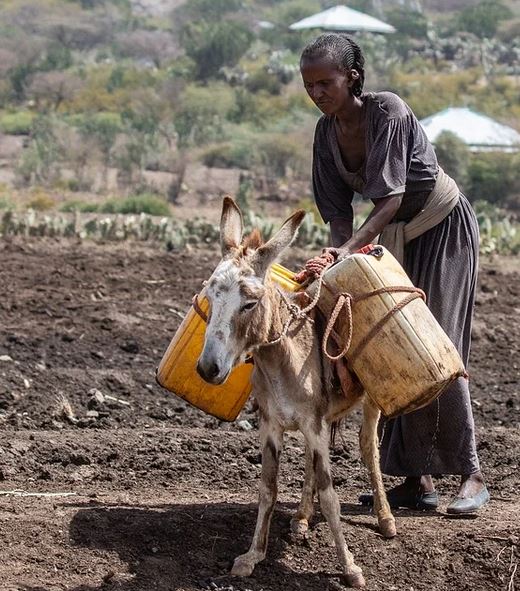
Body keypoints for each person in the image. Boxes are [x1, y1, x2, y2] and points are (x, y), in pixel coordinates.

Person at [299, 32, 489, 514]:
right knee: (385, 340)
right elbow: (337, 210)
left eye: (326, 82)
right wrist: (336, 251)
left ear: (353, 79)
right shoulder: (326, 134)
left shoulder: (388, 112)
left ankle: (471, 475)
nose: (317, 93)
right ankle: (415, 478)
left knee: (434, 342)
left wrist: (348, 250)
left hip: (440, 227)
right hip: (391, 236)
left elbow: (391, 199)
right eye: (309, 85)